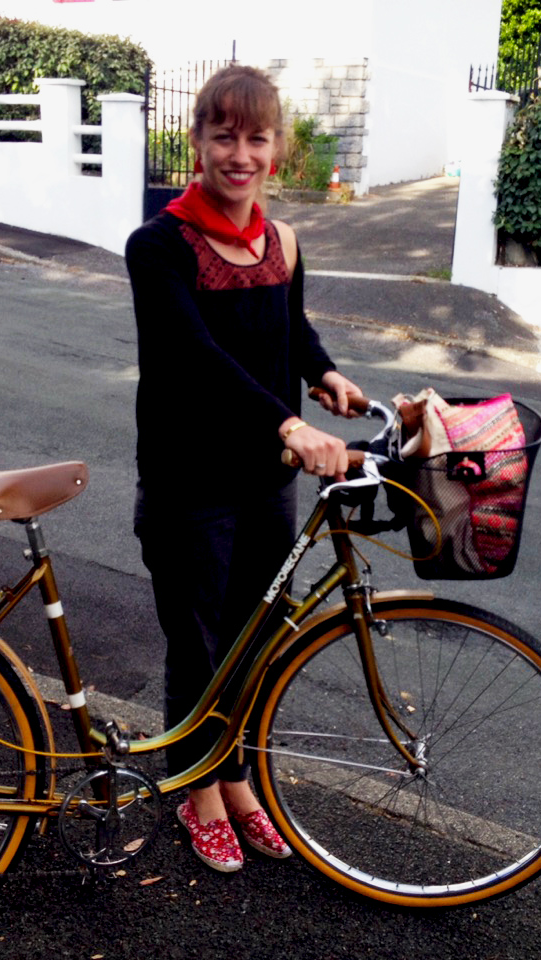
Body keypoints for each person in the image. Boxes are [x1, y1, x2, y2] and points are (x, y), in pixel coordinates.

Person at [125, 65, 364, 873]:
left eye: (256, 138)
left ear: (276, 149)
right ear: (196, 141)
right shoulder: (158, 246)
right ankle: (197, 791)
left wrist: (325, 375)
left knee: (255, 640)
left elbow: (290, 330)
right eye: (223, 135)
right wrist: (289, 422)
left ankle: (237, 779)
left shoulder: (283, 242)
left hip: (266, 480)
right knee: (199, 647)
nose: (240, 154)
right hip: (190, 483)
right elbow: (195, 356)